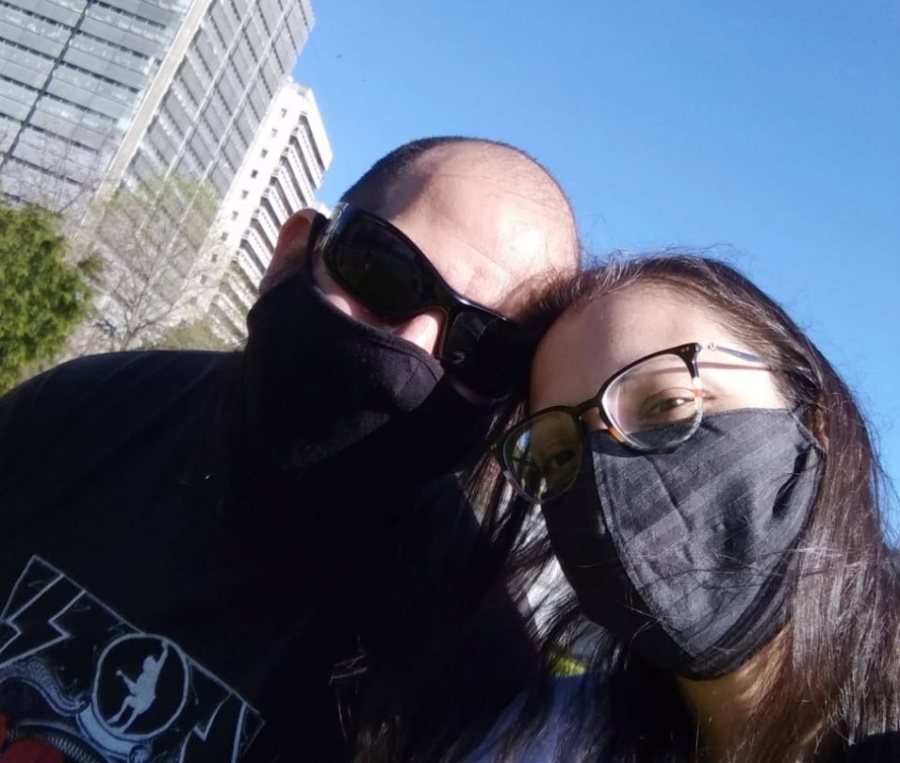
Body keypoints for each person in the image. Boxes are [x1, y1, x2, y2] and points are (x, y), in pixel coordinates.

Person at [0, 136, 579, 762]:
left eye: (486, 349)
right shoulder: (88, 408)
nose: (413, 350)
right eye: (385, 272)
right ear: (295, 250)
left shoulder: (475, 676)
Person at [486, 254, 900, 762]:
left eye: (668, 404)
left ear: (817, 421)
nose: (605, 474)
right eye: (558, 454)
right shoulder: (538, 741)